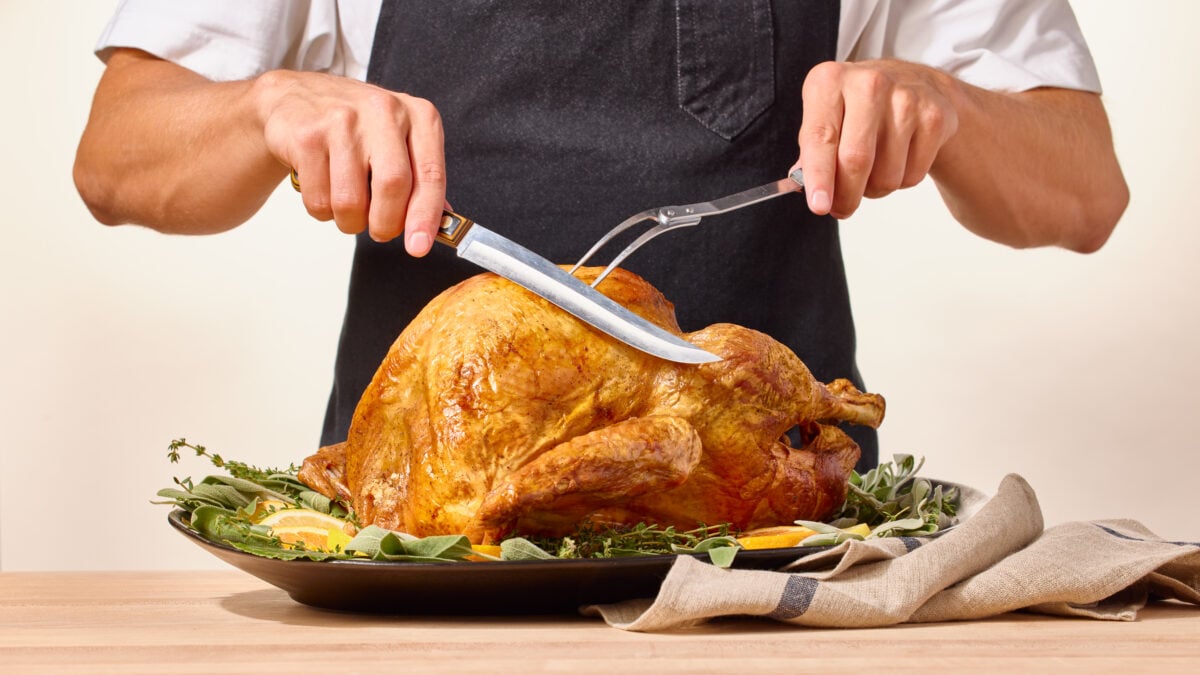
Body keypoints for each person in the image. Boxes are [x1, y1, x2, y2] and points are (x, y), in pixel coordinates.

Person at [74, 1, 1128, 469]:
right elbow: (116, 161)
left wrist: (947, 101)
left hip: (779, 569)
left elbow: (1084, 194)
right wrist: (263, 108)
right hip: (422, 556)